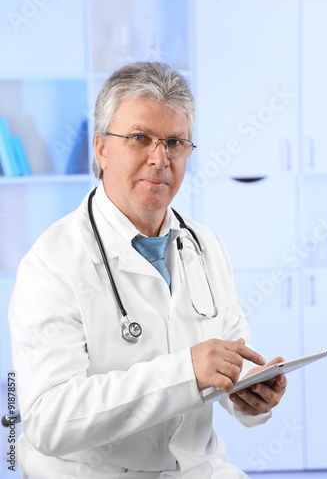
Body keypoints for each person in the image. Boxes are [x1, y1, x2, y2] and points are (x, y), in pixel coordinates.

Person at [9, 62, 287, 479]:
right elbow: (49, 421)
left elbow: (227, 363)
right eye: (140, 138)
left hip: (198, 468)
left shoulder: (206, 246)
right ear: (101, 148)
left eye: (175, 142)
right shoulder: (51, 263)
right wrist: (185, 373)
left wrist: (248, 395)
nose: (160, 158)